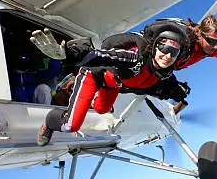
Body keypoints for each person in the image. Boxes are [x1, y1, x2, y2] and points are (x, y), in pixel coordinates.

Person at [30, 25, 187, 146]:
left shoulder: (165, 75)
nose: (167, 56)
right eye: (164, 48)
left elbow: (159, 87)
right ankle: (49, 122)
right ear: (154, 47)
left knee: (102, 109)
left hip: (113, 85)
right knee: (71, 126)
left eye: (174, 53)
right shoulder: (135, 59)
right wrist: (67, 53)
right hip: (94, 76)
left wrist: (177, 92)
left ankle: (86, 99)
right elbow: (100, 55)